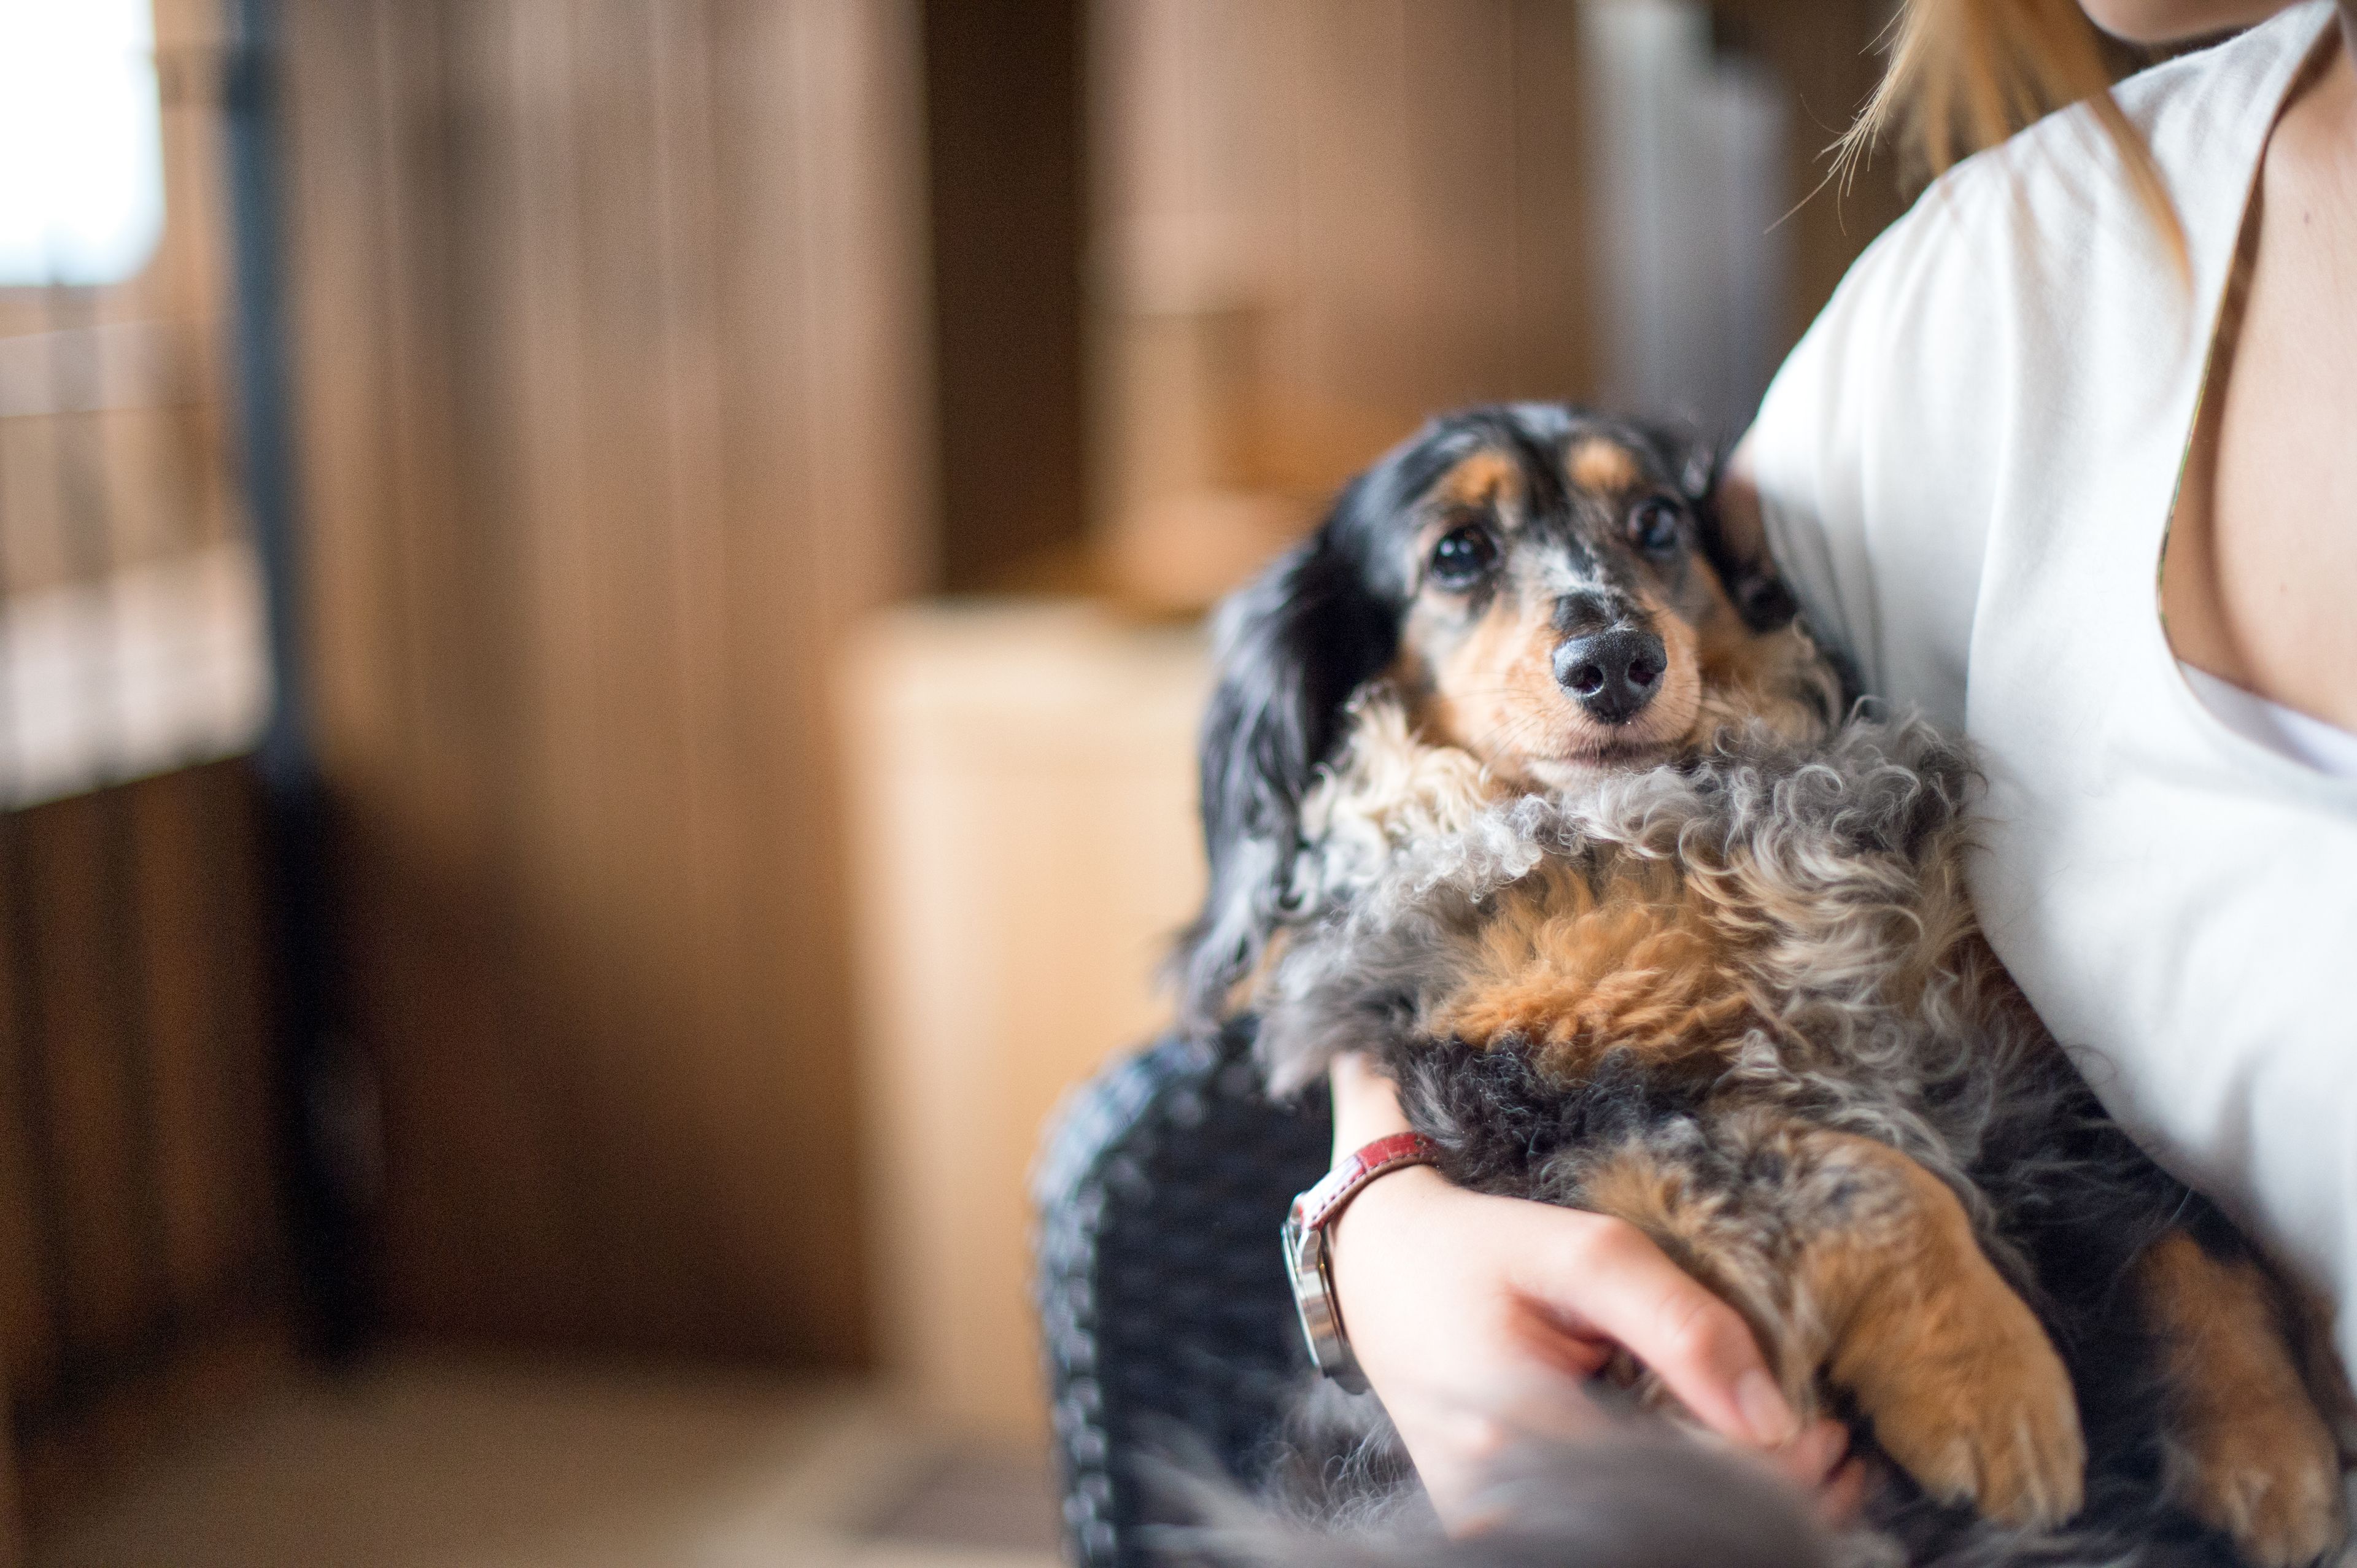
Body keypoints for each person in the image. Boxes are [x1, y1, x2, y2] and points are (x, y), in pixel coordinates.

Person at [1320, 0, 2357, 1526]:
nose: (1603, 626)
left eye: (1643, 536)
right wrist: (1375, 1207)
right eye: (1467, 554)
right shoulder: (1996, 292)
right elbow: (1440, 883)